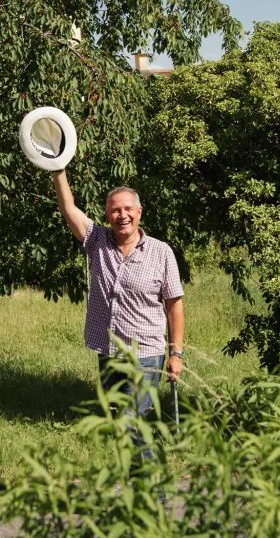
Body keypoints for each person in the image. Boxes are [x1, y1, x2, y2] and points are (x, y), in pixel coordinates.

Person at [52, 169, 184, 421]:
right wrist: (59, 169)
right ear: (107, 215)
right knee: (115, 420)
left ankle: (139, 447)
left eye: (128, 209)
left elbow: (174, 304)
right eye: (115, 210)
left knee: (130, 420)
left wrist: (176, 354)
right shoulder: (97, 241)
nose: (122, 215)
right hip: (109, 351)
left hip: (145, 355)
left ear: (139, 212)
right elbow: (68, 209)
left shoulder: (161, 252)